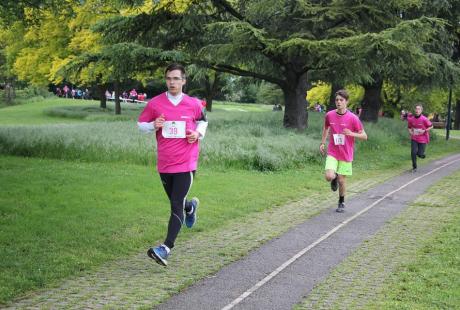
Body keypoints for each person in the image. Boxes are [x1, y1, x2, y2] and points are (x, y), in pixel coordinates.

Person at [137, 63, 208, 266]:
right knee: (178, 202)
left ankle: (166, 248)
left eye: (176, 78)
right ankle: (190, 207)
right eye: (169, 78)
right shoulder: (155, 103)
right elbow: (140, 125)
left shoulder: (193, 103)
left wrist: (197, 133)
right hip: (165, 163)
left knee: (175, 204)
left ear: (184, 81)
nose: (172, 82)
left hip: (186, 162)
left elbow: (203, 121)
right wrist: (152, 125)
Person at [320, 89, 367, 213]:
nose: (338, 102)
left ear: (347, 102)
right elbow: (326, 128)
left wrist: (351, 133)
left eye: (341, 100)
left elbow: (364, 136)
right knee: (329, 176)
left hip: (346, 153)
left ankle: (341, 201)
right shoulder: (329, 115)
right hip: (333, 151)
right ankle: (333, 177)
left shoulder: (353, 118)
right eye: (337, 100)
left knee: (341, 180)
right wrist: (323, 143)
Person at [407, 104, 433, 172]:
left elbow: (431, 126)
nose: (417, 110)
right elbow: (409, 127)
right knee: (413, 152)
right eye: (416, 109)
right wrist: (410, 132)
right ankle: (414, 167)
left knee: (420, 154)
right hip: (414, 138)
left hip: (423, 139)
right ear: (414, 110)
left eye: (419, 109)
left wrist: (424, 130)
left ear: (421, 111)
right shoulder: (411, 119)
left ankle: (421, 154)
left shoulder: (424, 119)